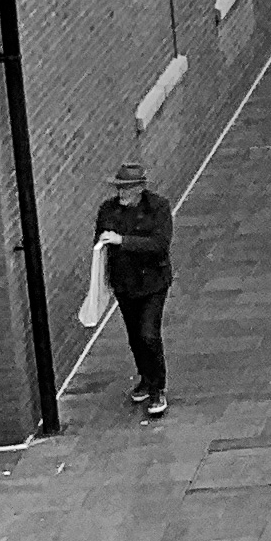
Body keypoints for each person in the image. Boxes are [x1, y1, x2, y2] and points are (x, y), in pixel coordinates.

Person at [94, 161, 172, 416]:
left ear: (140, 188)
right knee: (135, 337)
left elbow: (159, 244)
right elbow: (100, 241)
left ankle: (157, 388)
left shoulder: (158, 208)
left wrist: (122, 240)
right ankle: (145, 377)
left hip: (152, 284)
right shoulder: (108, 210)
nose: (121, 194)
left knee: (149, 334)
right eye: (119, 188)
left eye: (126, 189)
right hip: (124, 284)